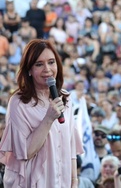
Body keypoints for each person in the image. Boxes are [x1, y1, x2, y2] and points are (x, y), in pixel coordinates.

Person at [0, 39, 83, 187]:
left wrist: (74, 181)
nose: (47, 69)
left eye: (51, 62)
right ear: (29, 70)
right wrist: (48, 119)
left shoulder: (65, 99)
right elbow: (26, 152)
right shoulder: (19, 103)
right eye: (39, 64)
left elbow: (70, 147)